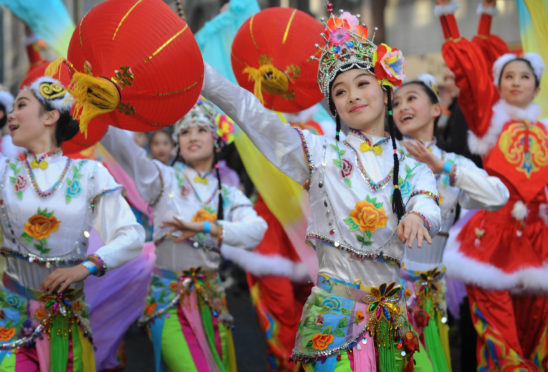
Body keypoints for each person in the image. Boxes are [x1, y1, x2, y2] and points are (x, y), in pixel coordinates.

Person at [201, 8, 441, 372]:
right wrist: (202, 75)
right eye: (340, 91)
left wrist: (418, 215)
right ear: (333, 106)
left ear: (385, 90)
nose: (352, 96)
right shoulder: (318, 154)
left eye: (362, 83)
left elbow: (426, 198)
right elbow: (252, 114)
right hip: (333, 314)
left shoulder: (409, 166)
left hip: (391, 313)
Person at [101, 98, 267, 372]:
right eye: (185, 132)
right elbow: (125, 150)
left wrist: (208, 227)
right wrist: (100, 107)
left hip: (213, 303)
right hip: (168, 303)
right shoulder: (163, 180)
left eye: (201, 130)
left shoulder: (227, 193)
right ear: (177, 142)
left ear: (215, 141)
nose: (192, 137)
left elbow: (256, 231)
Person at [0, 75, 144, 371]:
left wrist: (86, 267)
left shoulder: (90, 174)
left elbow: (130, 235)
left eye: (21, 105)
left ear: (51, 116)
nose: (11, 114)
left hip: (65, 320)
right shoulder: (5, 171)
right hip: (10, 321)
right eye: (11, 108)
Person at [435, 0, 548, 369]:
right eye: (508, 76)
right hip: (494, 243)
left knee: (537, 339)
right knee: (500, 342)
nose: (516, 82)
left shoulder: (546, 130)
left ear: (536, 85)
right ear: (498, 84)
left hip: (538, 241)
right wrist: (447, 14)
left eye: (524, 76)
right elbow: (467, 67)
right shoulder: (489, 122)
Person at [392, 74, 509, 372]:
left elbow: (497, 196)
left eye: (411, 98)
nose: (402, 106)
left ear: (436, 109)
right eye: (395, 102)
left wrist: (444, 167)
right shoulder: (382, 159)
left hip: (431, 294)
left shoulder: (452, 163)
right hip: (385, 291)